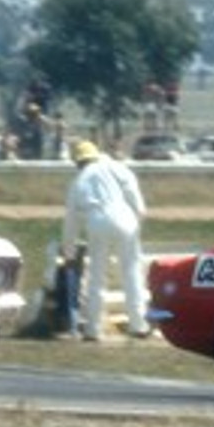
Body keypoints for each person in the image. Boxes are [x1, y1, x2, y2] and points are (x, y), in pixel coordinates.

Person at [62, 140, 150, 340]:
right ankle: (138, 325)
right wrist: (138, 215)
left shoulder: (77, 182)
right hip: (125, 219)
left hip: (96, 222)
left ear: (77, 161)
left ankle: (93, 329)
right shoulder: (116, 167)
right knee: (131, 272)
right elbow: (134, 195)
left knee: (96, 276)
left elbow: (71, 222)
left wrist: (69, 252)